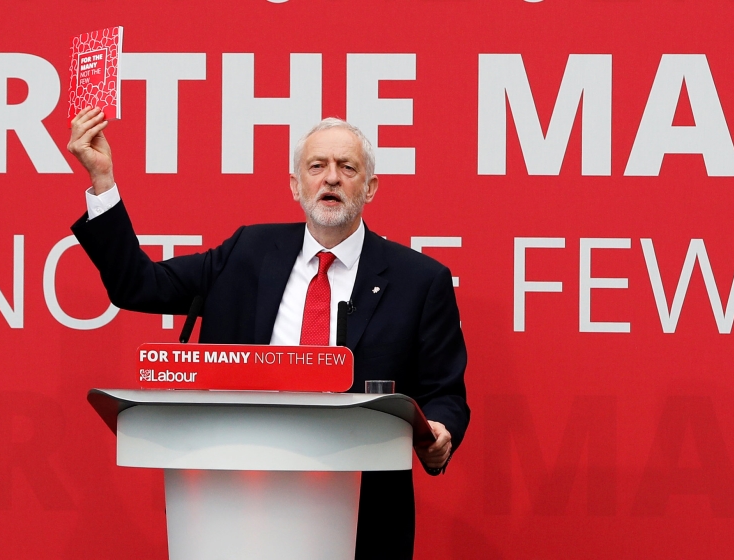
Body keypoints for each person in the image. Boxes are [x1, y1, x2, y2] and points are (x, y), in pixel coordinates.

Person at [68, 107, 470, 559]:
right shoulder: (248, 252)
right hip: (238, 506)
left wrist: (440, 431)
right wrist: (102, 180)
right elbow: (137, 284)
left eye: (347, 167)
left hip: (364, 515)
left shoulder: (419, 281)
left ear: (370, 187)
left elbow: (446, 394)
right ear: (296, 185)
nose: (331, 178)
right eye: (317, 166)